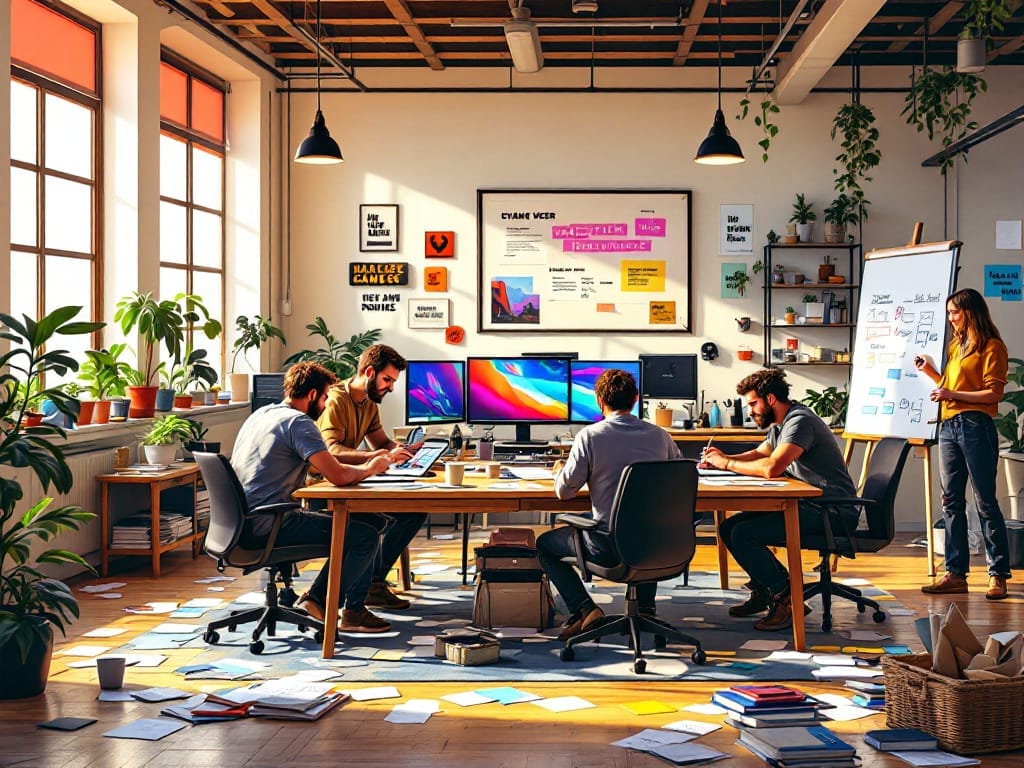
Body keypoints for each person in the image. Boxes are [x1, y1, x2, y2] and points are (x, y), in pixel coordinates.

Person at [230, 362, 395, 633]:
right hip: (272, 523)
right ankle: (319, 601)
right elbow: (338, 476)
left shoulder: (261, 415)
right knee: (363, 536)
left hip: (244, 522)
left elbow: (320, 466)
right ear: (312, 395)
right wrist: (370, 468)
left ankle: (350, 608)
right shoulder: (298, 422)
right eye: (326, 396)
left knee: (371, 521)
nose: (327, 402)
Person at [701, 367, 858, 631]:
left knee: (743, 534)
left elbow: (771, 467)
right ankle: (766, 591)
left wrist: (725, 463)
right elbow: (759, 453)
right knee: (729, 528)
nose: (750, 410)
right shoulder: (782, 425)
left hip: (831, 512)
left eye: (753, 403)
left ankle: (786, 598)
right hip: (811, 505)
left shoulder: (800, 422)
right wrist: (719, 460)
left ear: (770, 399)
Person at [536, 369, 681, 641]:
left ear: (599, 401)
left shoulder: (590, 436)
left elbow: (565, 493)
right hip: (661, 544)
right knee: (644, 521)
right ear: (635, 399)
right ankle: (646, 609)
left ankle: (585, 609)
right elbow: (675, 477)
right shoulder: (661, 436)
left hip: (609, 548)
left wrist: (559, 471)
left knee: (545, 545)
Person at [315, 343, 426, 611]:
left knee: (415, 510)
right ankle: (356, 599)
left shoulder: (368, 403)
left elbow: (380, 442)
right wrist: (375, 459)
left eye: (393, 382)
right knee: (371, 520)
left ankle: (374, 583)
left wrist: (404, 451)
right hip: (328, 487)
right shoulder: (336, 400)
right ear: (368, 372)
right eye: (387, 379)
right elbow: (332, 451)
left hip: (355, 482)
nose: (390, 387)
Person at [917, 288, 1012, 599]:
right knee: (951, 502)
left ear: (970, 312)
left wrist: (951, 395)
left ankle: (998, 575)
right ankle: (955, 573)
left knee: (985, 500)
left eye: (954, 313)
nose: (950, 319)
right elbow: (951, 386)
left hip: (975, 427)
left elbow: (992, 395)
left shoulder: (992, 347)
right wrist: (931, 373)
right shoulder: (957, 347)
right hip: (949, 427)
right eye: (948, 314)